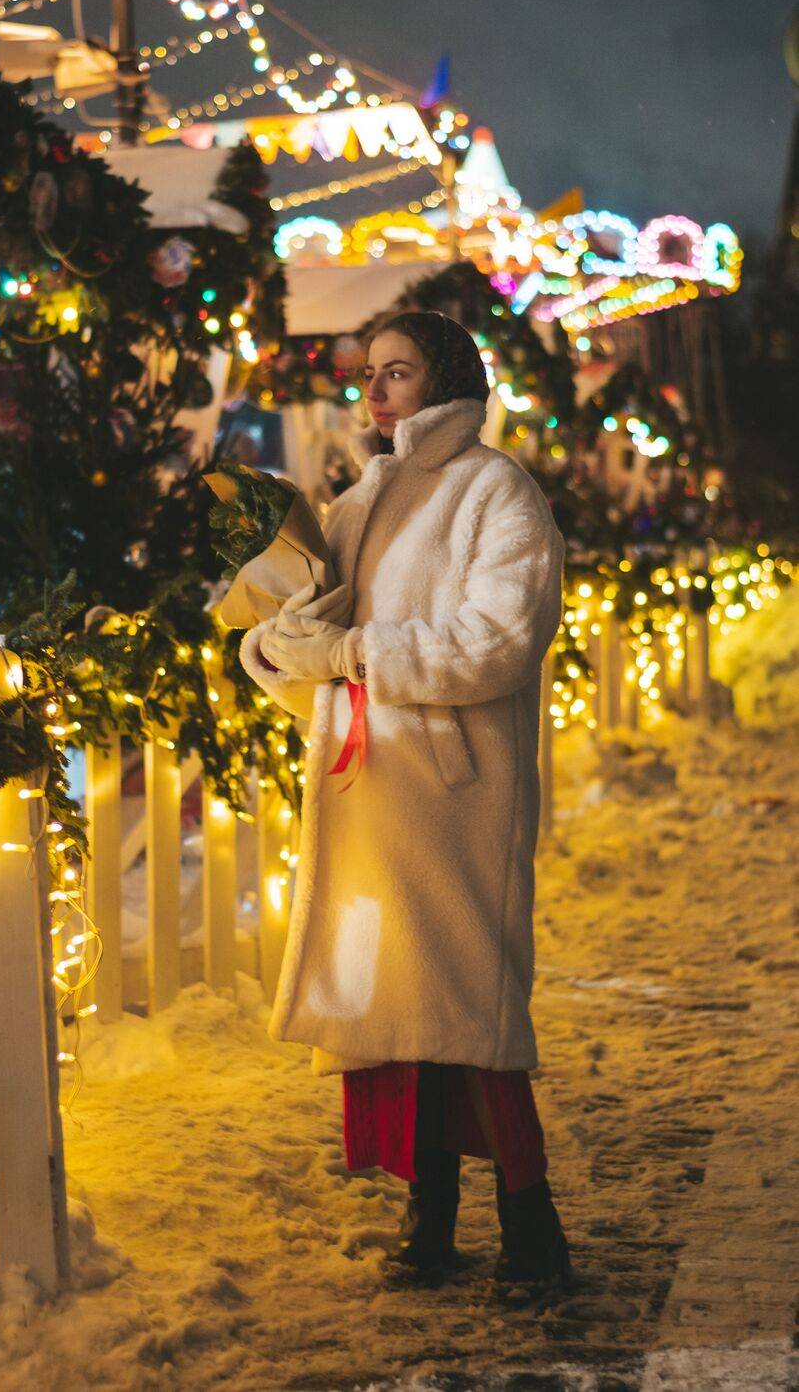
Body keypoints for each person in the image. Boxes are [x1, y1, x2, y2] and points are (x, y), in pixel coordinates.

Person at [238, 310, 574, 1289]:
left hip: (453, 797)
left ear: (446, 378)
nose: (376, 391)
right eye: (369, 373)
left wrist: (351, 655)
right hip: (366, 791)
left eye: (398, 371)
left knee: (472, 1015)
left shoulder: (495, 490)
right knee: (395, 1020)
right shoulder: (358, 501)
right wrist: (279, 647)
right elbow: (311, 631)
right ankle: (430, 1215)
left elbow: (498, 641)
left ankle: (531, 1225)